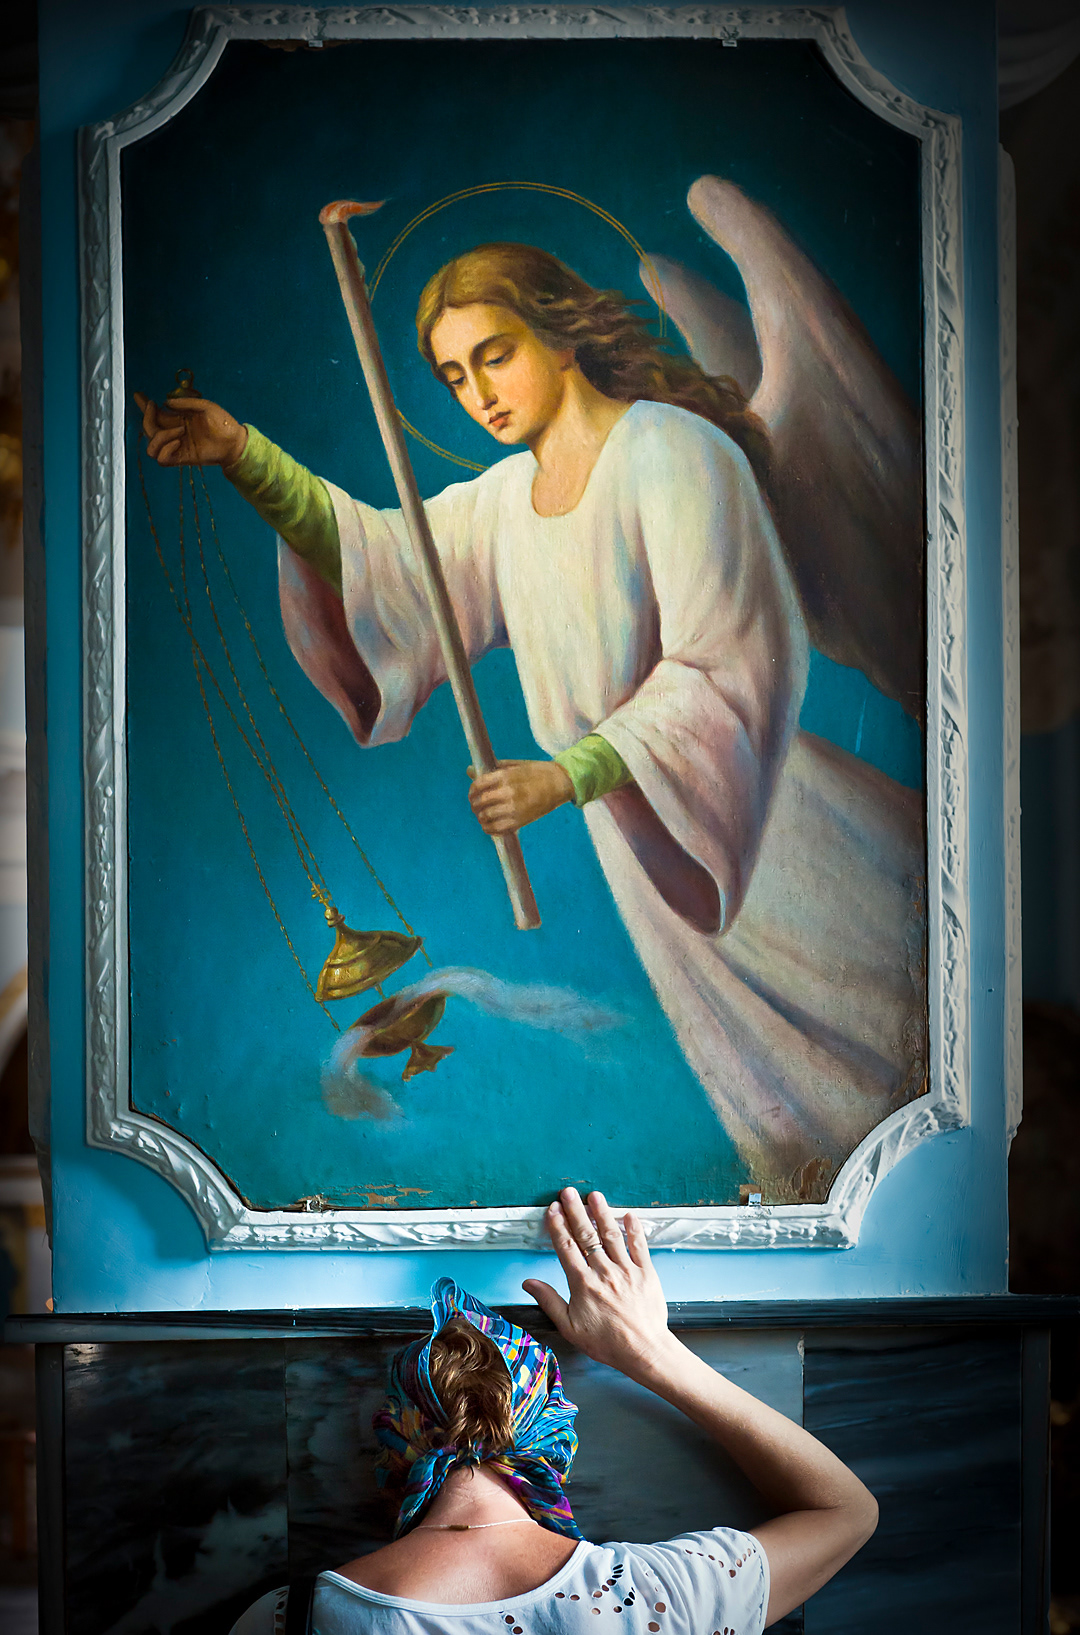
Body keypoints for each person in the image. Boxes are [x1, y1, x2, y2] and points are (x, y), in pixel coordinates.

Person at [135, 242, 926, 1201]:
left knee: (875, 1071)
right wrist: (242, 456)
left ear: (560, 335)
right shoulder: (507, 503)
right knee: (780, 1119)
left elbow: (729, 663)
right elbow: (392, 565)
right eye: (455, 375)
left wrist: (568, 773)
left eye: (495, 354)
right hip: (658, 863)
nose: (479, 394)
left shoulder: (674, 453)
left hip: (758, 823)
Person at [230, 1188, 878, 1633]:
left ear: (394, 1440)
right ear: (552, 1440)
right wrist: (652, 1351)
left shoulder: (291, 1619)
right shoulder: (659, 1598)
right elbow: (847, 1510)